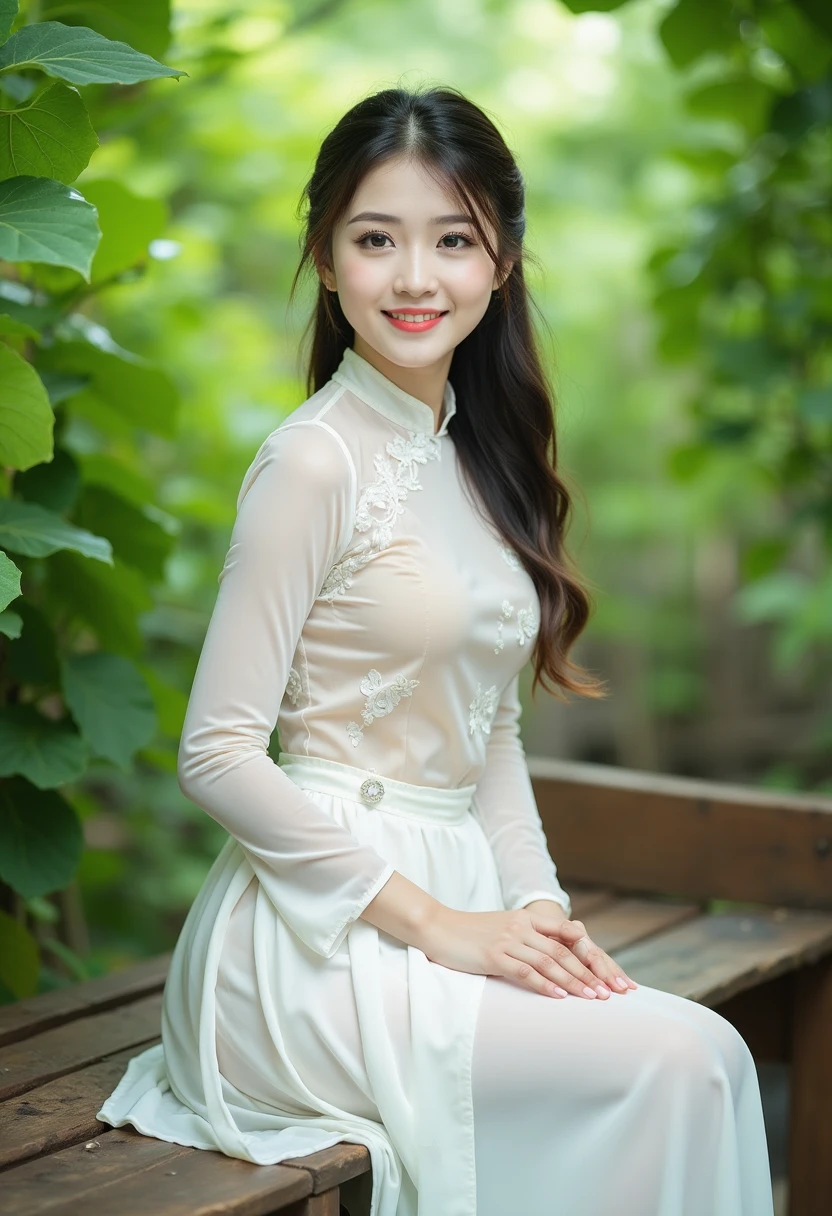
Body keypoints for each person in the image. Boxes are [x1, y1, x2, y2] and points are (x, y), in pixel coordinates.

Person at [97, 85, 775, 1216]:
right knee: (687, 1060)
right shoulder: (313, 463)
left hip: (458, 901)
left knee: (697, 1061)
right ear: (324, 256)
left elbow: (489, 725)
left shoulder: (479, 459)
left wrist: (537, 906)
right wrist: (441, 924)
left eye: (452, 239)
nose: (415, 278)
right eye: (376, 239)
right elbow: (216, 755)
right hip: (314, 943)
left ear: (499, 260)